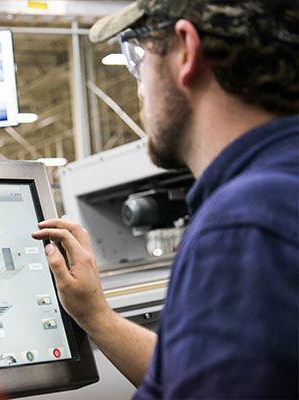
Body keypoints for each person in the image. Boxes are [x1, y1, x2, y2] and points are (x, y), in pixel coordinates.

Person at [32, 0, 298, 398]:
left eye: (138, 59)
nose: (138, 88)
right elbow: (199, 374)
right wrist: (96, 316)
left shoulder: (244, 226)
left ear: (186, 51)